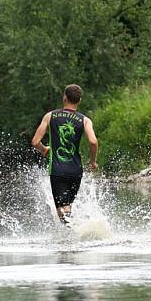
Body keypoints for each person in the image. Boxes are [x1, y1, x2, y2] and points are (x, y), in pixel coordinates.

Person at [31, 84, 98, 226]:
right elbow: (93, 141)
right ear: (79, 101)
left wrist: (44, 150)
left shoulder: (50, 116)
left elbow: (35, 141)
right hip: (76, 171)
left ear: (64, 98)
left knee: (62, 209)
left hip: (57, 170)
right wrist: (93, 161)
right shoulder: (85, 120)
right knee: (67, 206)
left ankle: (72, 235)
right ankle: (71, 238)